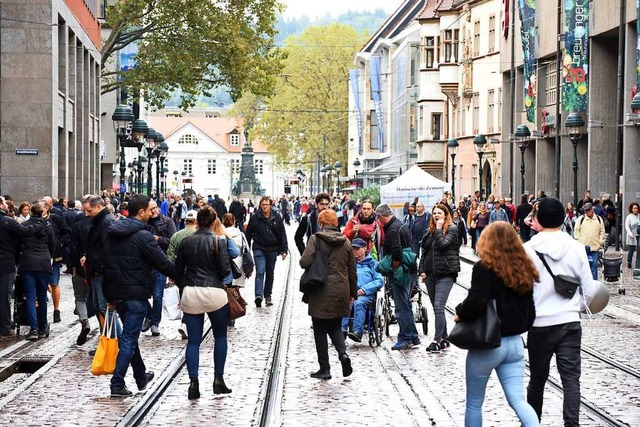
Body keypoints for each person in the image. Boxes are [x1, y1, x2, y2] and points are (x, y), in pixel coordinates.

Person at [454, 222, 539, 426]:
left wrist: (459, 313)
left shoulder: (484, 268)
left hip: (489, 344)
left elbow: (476, 302)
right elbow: (531, 312)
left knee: (474, 403)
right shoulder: (524, 267)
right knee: (519, 401)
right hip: (515, 345)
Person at [523, 197, 598, 425]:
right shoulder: (576, 247)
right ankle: (571, 424)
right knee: (571, 380)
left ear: (539, 219)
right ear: (563, 218)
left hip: (539, 324)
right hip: (569, 323)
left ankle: (532, 422)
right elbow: (589, 290)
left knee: (537, 380)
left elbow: (520, 289)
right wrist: (576, 306)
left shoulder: (527, 249)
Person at [103, 194, 174, 397]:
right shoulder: (143, 237)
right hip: (135, 295)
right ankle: (117, 384)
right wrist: (185, 275)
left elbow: (105, 265)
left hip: (118, 294)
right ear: (140, 212)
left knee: (130, 337)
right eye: (148, 211)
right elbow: (163, 264)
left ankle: (141, 376)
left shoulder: (112, 233)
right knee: (128, 340)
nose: (151, 214)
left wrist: (109, 296)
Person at [175, 207, 233, 398]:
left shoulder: (185, 241)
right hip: (215, 292)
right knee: (220, 337)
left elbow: (178, 271)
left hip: (191, 292)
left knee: (193, 341)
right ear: (214, 221)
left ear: (197, 221)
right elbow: (225, 270)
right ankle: (218, 380)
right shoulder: (219, 241)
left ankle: (193, 384)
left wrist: (185, 287)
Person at [300, 209, 356, 380]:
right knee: (336, 326)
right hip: (341, 289)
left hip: (320, 288)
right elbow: (352, 270)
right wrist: (352, 292)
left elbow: (305, 262)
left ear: (321, 223)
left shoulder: (315, 239)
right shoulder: (345, 241)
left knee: (319, 329)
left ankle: (325, 369)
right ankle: (343, 354)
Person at [0, 197, 45, 337]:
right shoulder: (6, 220)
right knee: (3, 296)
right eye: (3, 203)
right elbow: (25, 232)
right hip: (4, 263)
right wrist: (40, 223)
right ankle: (5, 328)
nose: (6, 205)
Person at [375, 203, 418, 350]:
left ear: (381, 216)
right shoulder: (400, 224)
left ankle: (405, 337)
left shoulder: (393, 229)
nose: (378, 222)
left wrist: (392, 269)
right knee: (406, 303)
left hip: (401, 271)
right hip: (409, 269)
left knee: (400, 306)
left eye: (378, 218)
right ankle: (412, 336)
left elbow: (397, 253)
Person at [418, 203, 460, 352]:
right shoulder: (429, 232)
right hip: (430, 275)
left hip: (445, 274)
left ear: (446, 215)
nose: (436, 215)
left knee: (438, 307)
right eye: (434, 213)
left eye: (439, 213)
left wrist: (437, 229)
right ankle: (445, 338)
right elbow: (424, 252)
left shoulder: (452, 230)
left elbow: (443, 245)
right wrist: (421, 269)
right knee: (437, 308)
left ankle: (436, 340)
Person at [18, 200, 54, 340]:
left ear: (31, 212)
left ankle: (33, 329)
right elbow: (53, 245)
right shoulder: (48, 226)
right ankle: (43, 328)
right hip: (44, 263)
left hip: (28, 262)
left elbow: (18, 245)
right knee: (42, 296)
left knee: (30, 297)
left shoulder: (24, 226)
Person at [245, 196, 288, 307]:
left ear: (270, 205)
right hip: (259, 247)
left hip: (273, 249)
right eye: (263, 205)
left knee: (270, 273)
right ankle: (258, 295)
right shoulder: (255, 218)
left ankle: (268, 295)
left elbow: (282, 234)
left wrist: (284, 249)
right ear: (260, 205)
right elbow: (248, 234)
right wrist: (247, 249)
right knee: (260, 271)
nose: (265, 207)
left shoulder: (276, 217)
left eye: (267, 204)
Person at [142, 199, 177, 337]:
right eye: (151, 209)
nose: (154, 211)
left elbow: (172, 240)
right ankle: (149, 316)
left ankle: (155, 323)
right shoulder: (144, 223)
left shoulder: (167, 221)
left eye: (155, 208)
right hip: (145, 263)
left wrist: (158, 239)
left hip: (160, 262)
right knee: (141, 294)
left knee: (157, 295)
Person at [341, 237, 383, 342]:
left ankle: (357, 331)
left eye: (357, 249)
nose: (354, 251)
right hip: (351, 292)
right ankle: (342, 330)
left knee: (359, 303)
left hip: (365, 294)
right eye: (353, 249)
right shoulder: (349, 263)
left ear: (364, 249)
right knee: (345, 302)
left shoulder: (373, 264)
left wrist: (364, 290)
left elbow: (379, 280)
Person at [167, 210, 198, 339]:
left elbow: (170, 255)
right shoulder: (200, 235)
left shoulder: (177, 235)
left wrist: (172, 274)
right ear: (196, 221)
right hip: (197, 274)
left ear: (186, 221)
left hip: (181, 274)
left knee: (183, 297)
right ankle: (188, 323)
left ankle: (185, 322)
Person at [573, 202, 605, 280]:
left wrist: (600, 241)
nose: (587, 212)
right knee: (584, 266)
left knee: (594, 265)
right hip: (583, 247)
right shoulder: (581, 219)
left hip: (595, 247)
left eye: (588, 210)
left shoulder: (598, 219)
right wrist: (579, 241)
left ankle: (594, 284)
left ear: (592, 209)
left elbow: (602, 231)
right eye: (585, 211)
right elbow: (576, 231)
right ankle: (584, 282)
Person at [625, 202, 639, 269]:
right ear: (632, 209)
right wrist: (630, 233)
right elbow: (627, 226)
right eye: (634, 208)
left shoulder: (639, 216)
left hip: (639, 235)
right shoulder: (629, 217)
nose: (636, 209)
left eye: (637, 208)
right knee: (631, 250)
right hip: (632, 236)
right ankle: (629, 262)